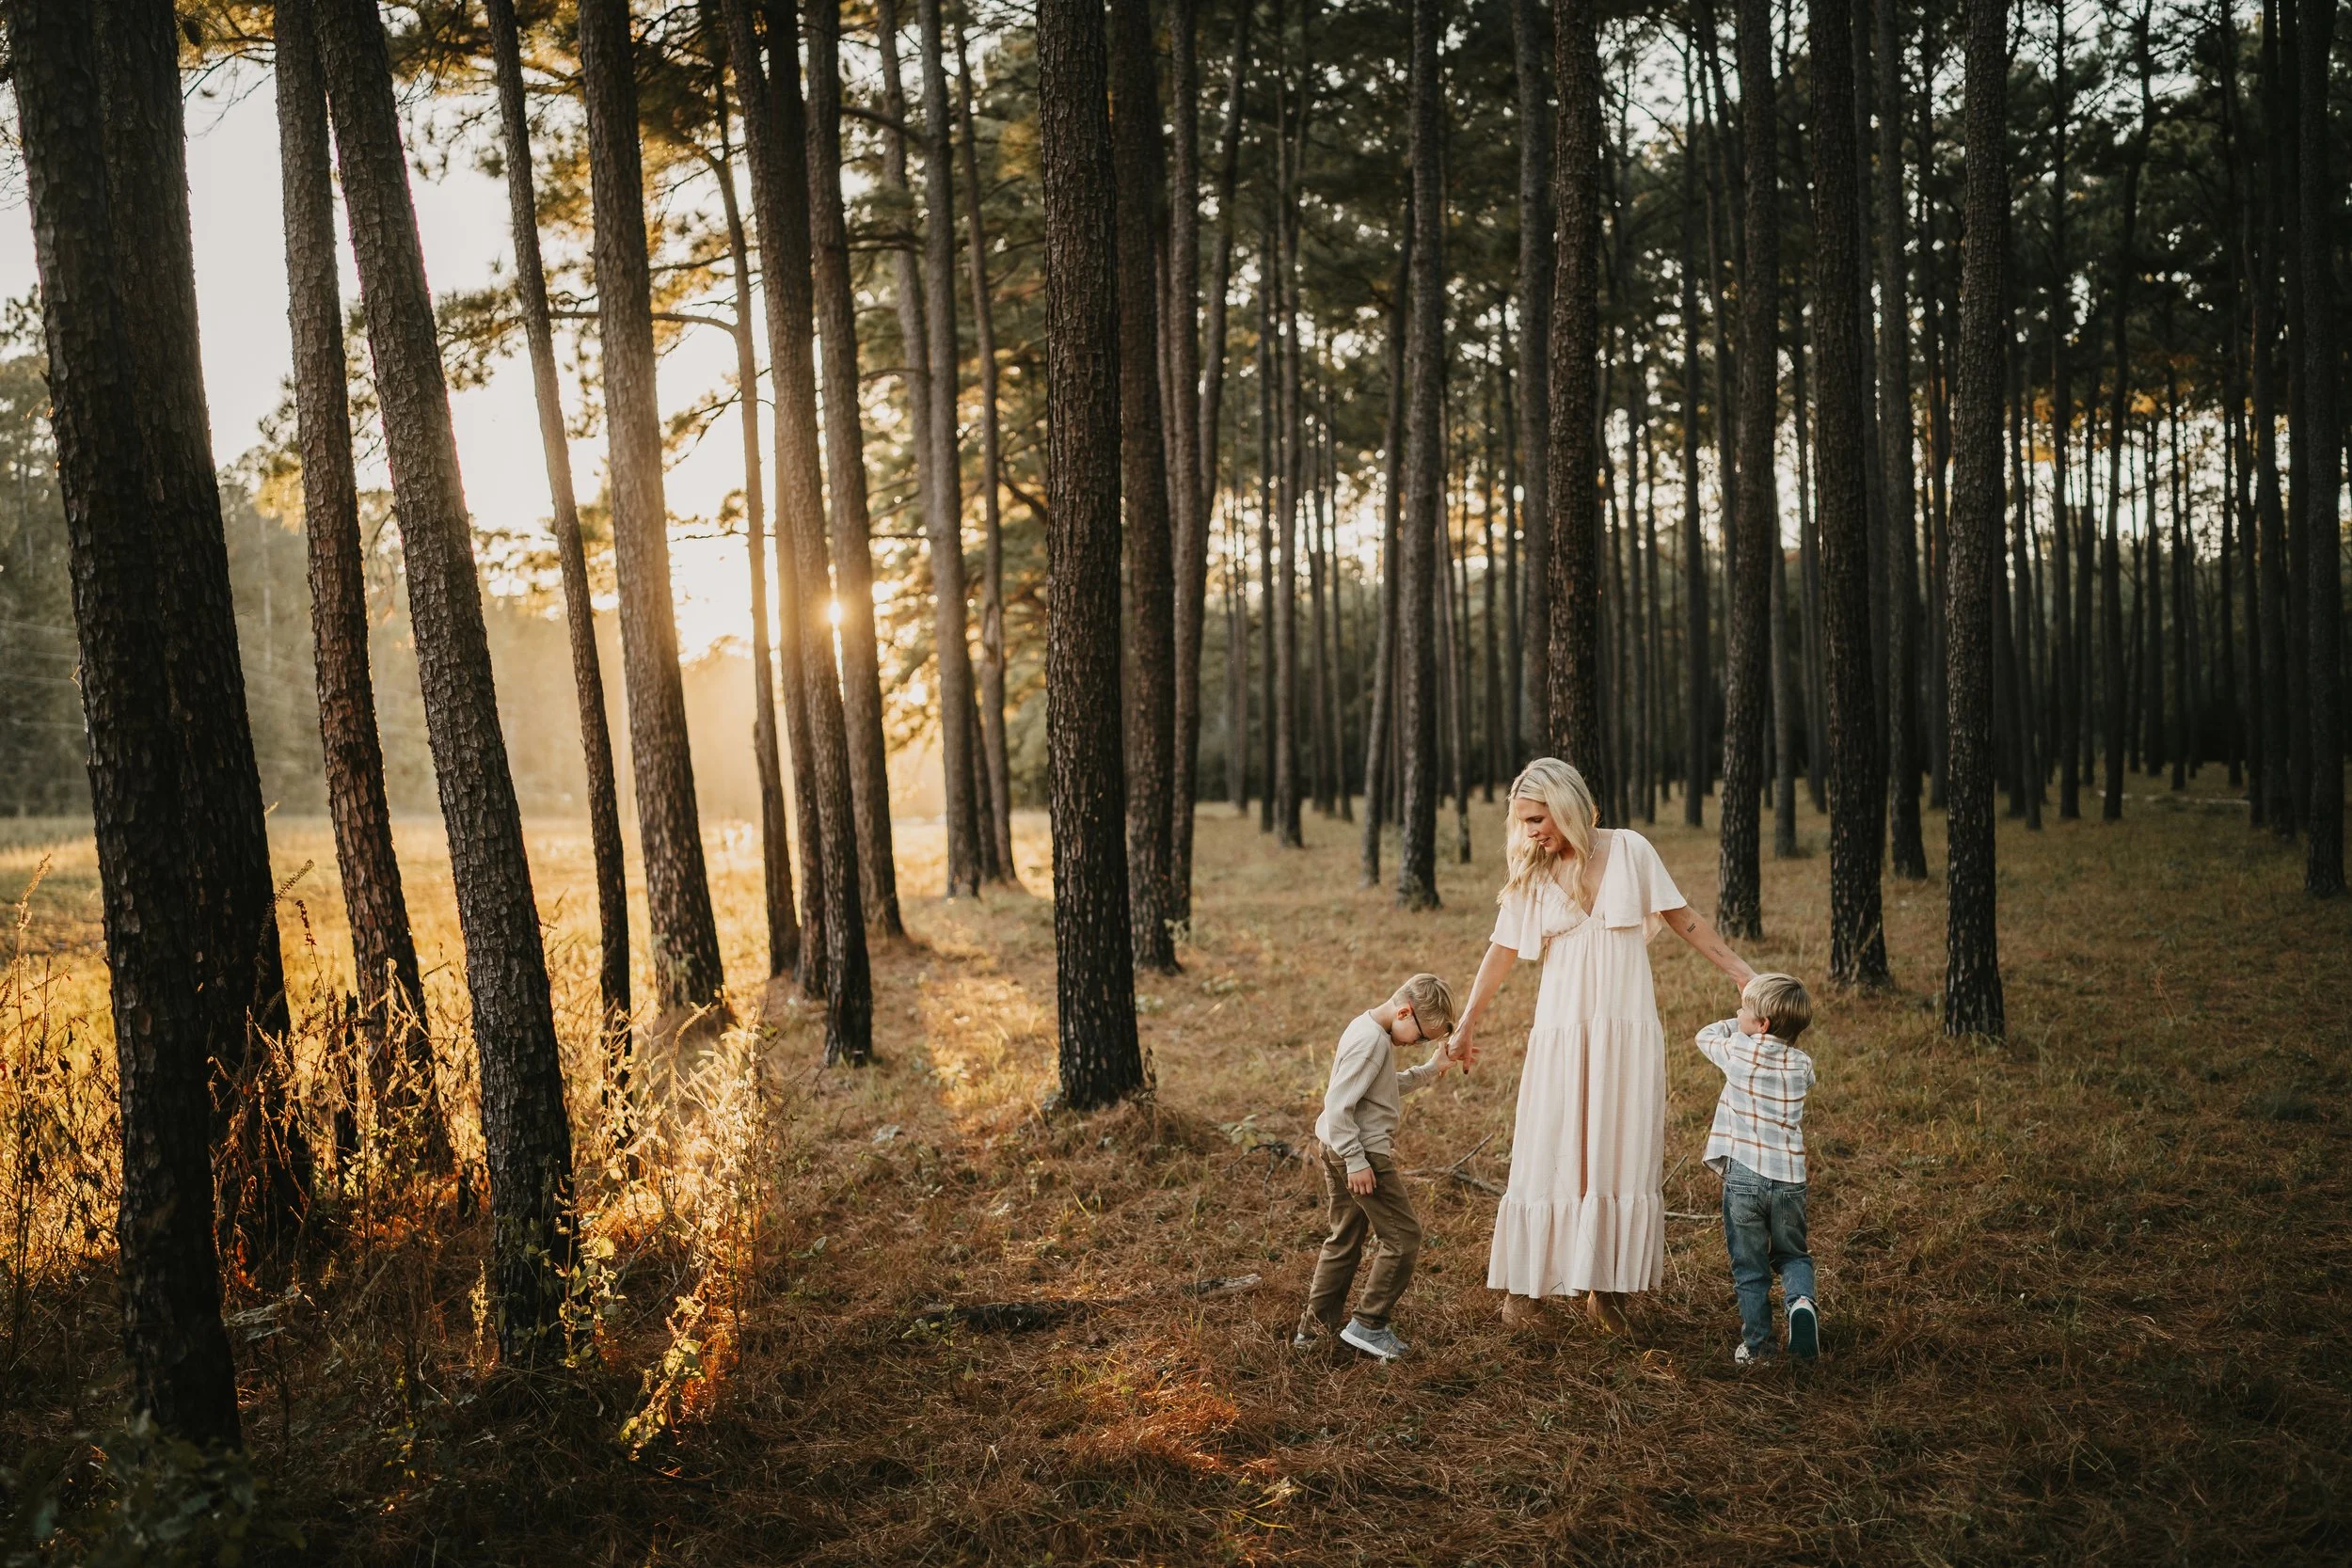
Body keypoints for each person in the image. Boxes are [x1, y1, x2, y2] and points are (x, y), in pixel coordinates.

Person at [1448, 758, 1755, 1337]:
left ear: (1565, 804)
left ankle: (1604, 1289)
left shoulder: (1631, 850)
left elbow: (1682, 918)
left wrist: (1740, 972)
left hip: (1625, 1027)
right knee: (1550, 1144)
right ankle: (1526, 1289)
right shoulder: (1533, 873)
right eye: (1523, 822)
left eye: (1538, 818)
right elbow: (1501, 951)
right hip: (1563, 1032)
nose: (1532, 831)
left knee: (1617, 1146)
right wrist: (1465, 1024)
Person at [1295, 973, 1457, 1362]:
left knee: (1344, 1239)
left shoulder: (1369, 1029)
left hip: (1337, 1146)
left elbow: (1380, 1086)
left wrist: (1431, 1068)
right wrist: (1356, 1160)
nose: (1416, 1043)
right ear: (1404, 1012)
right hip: (1361, 1153)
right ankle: (1369, 1325)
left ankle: (1313, 1333)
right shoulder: (1372, 1043)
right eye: (1420, 1037)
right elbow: (1337, 1105)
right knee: (1404, 1237)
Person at [1695, 973, 1820, 1363]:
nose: (1738, 1012)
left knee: (1750, 1268)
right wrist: (1757, 1013)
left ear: (1761, 1024)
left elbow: (1704, 1035)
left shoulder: (1737, 1051)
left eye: (1745, 1010)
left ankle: (1759, 1348)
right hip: (1789, 1180)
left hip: (1745, 1178)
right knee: (1793, 1256)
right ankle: (1801, 1304)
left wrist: (1740, 1026)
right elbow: (1805, 1072)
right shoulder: (1802, 1065)